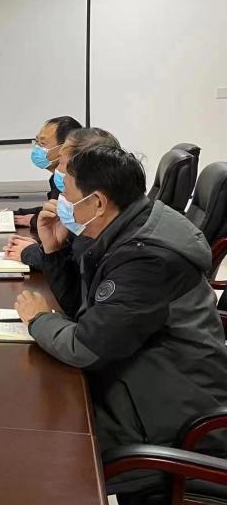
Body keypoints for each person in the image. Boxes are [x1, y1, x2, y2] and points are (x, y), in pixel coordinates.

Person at [12, 145, 227, 467]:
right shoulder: (129, 228)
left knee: (33, 442)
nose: (61, 203)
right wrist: (53, 251)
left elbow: (85, 347)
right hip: (144, 382)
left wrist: (38, 319)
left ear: (98, 202)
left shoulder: (145, 258)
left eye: (67, 194)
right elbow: (84, 310)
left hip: (170, 419)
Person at [5, 127, 120, 270]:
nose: (58, 169)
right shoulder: (88, 211)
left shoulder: (122, 247)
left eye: (62, 162)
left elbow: (77, 270)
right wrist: (50, 248)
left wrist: (35, 253)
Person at [13, 116, 82, 229]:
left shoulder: (80, 181)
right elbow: (54, 209)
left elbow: (71, 220)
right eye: (36, 142)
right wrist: (14, 214)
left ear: (65, 147)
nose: (37, 148)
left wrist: (33, 220)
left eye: (42, 143)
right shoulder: (56, 178)